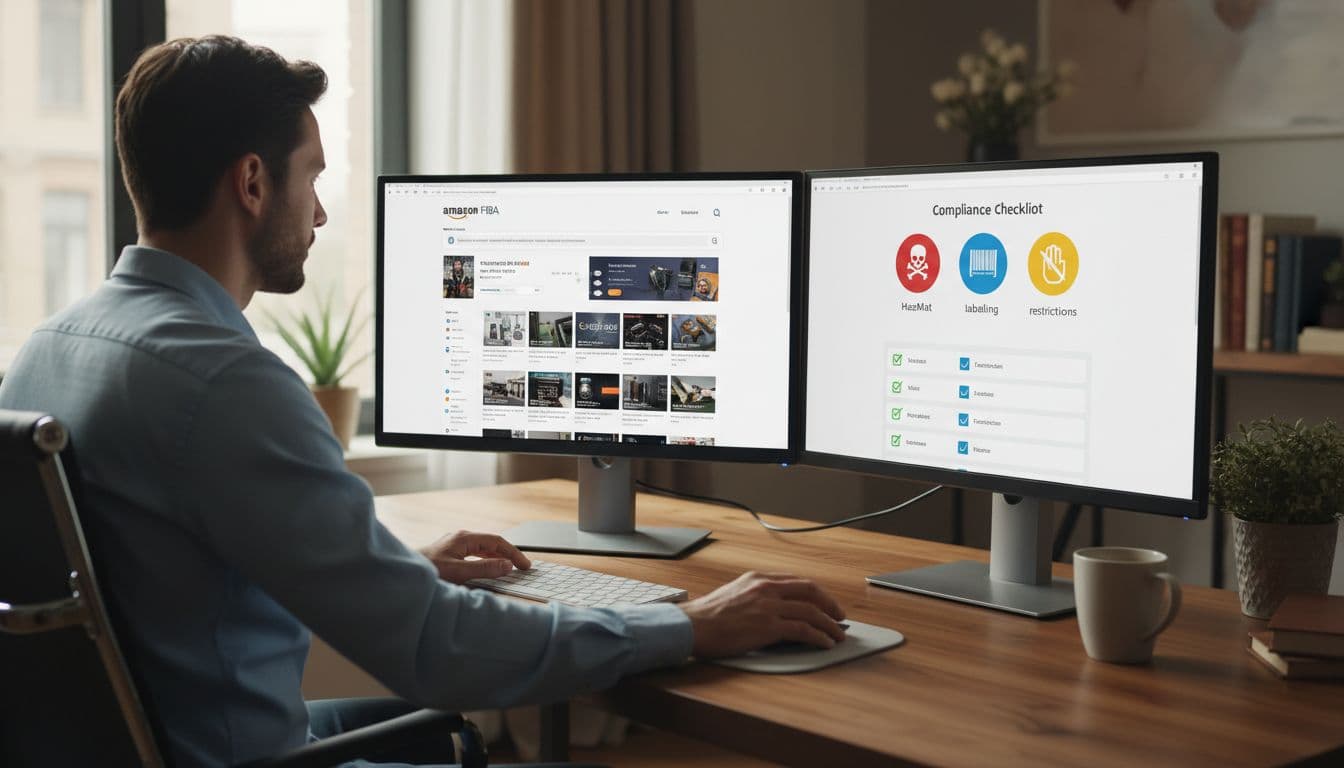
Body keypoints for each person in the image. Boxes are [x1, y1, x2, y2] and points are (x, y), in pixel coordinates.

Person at [0, 36, 845, 767]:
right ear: (252, 183)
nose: (322, 210)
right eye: (312, 176)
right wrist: (691, 626)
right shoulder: (229, 384)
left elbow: (171, 576)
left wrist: (387, 569)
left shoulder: (46, 352)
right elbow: (434, 652)